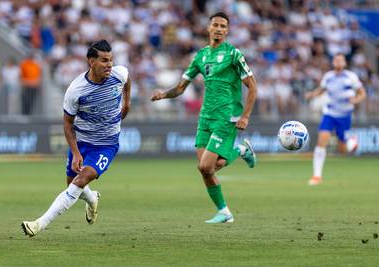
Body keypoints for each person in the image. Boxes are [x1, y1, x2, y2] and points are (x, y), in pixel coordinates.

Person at [151, 12, 258, 224]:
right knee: (206, 168)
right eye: (215, 25)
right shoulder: (200, 56)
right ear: (208, 28)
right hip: (205, 117)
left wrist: (245, 116)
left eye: (223, 26)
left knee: (205, 167)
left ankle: (241, 150)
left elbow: (253, 86)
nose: (219, 28)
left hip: (226, 116)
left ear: (227, 31)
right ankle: (225, 212)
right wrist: (164, 94)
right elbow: (181, 88)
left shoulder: (234, 54)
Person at [21, 40, 131, 236]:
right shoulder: (76, 90)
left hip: (106, 144)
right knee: (72, 184)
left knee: (80, 181)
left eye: (111, 60)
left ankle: (39, 224)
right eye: (104, 61)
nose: (109, 65)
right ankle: (92, 199)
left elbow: (127, 79)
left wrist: (127, 103)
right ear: (91, 61)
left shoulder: (119, 74)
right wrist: (75, 151)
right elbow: (67, 124)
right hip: (81, 141)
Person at [305, 53, 366, 186]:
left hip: (345, 115)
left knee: (342, 149)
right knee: (322, 140)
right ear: (333, 62)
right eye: (336, 60)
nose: (338, 62)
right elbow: (321, 90)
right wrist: (312, 94)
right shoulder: (328, 76)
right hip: (330, 113)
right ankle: (317, 176)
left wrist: (356, 100)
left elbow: (362, 93)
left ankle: (351, 143)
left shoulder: (351, 77)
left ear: (344, 63)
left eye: (340, 60)